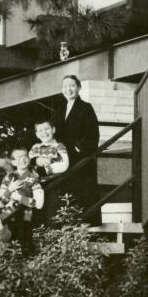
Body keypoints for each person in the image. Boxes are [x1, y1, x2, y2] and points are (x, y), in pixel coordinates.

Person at [52, 75, 101, 220]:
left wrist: (76, 148)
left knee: (83, 193)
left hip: (80, 158)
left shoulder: (86, 108)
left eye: (72, 85)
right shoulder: (58, 111)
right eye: (65, 86)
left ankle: (86, 224)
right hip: (62, 158)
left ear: (79, 88)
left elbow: (92, 134)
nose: (68, 89)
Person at [0, 147, 45, 253]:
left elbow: (38, 204)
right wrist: (9, 190)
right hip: (8, 218)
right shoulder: (8, 178)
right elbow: (0, 203)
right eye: (18, 157)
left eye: (25, 156)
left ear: (29, 158)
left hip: (25, 219)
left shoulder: (34, 177)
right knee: (9, 249)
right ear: (13, 161)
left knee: (25, 248)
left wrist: (19, 197)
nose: (22, 159)